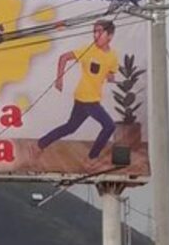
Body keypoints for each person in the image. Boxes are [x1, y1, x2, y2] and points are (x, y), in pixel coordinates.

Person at [34, 20, 119, 161]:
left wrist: (111, 78)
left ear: (110, 36)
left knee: (70, 127)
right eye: (94, 31)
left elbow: (110, 73)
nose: (95, 35)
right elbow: (64, 58)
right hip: (87, 98)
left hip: (89, 98)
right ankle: (92, 158)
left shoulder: (113, 56)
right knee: (109, 126)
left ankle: (40, 144)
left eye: (99, 32)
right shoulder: (89, 50)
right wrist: (59, 79)